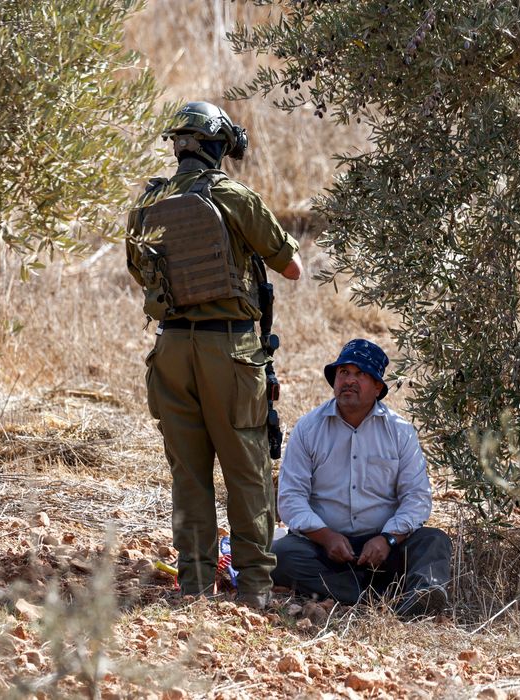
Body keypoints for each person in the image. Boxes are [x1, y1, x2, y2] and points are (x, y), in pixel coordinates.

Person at [126, 101, 303, 609]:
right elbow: (290, 267)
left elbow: (142, 275)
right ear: (219, 145)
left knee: (190, 473)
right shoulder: (230, 194)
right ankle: (255, 589)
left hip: (171, 349)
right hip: (229, 350)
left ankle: (197, 585)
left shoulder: (146, 204)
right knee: (246, 468)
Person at [273, 339, 452, 617]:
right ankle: (376, 595)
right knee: (280, 555)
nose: (349, 381)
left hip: (385, 548)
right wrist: (326, 537)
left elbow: (416, 499)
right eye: (344, 372)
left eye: (361, 374)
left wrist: (387, 539)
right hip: (324, 549)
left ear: (378, 387)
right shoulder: (308, 428)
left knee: (434, 541)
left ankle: (419, 596)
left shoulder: (400, 431)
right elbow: (291, 498)